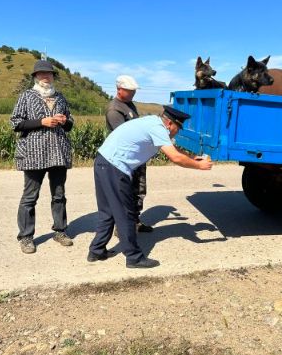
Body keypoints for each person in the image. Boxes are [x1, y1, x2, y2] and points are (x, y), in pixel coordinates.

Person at [88, 105, 213, 268]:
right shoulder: (158, 128)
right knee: (126, 213)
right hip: (115, 167)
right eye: (178, 127)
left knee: (108, 211)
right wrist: (200, 166)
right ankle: (133, 257)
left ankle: (96, 250)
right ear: (169, 124)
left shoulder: (153, 123)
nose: (178, 131)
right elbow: (175, 157)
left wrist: (193, 157)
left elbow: (173, 149)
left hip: (103, 162)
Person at [10, 60, 75, 254]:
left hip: (58, 153)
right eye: (41, 74)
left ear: (53, 77)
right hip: (33, 154)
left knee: (59, 195)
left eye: (49, 74)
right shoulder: (26, 96)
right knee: (30, 197)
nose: (46, 76)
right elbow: (16, 123)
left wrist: (64, 121)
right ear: (36, 77)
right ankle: (26, 237)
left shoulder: (60, 98)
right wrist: (42, 121)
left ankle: (60, 231)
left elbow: (70, 123)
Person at [105, 75, 152, 233]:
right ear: (119, 90)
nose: (133, 93)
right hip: (124, 158)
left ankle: (135, 221)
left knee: (138, 190)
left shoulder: (129, 104)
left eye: (134, 91)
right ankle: (122, 226)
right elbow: (124, 135)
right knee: (124, 192)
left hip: (136, 157)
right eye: (130, 91)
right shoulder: (114, 109)